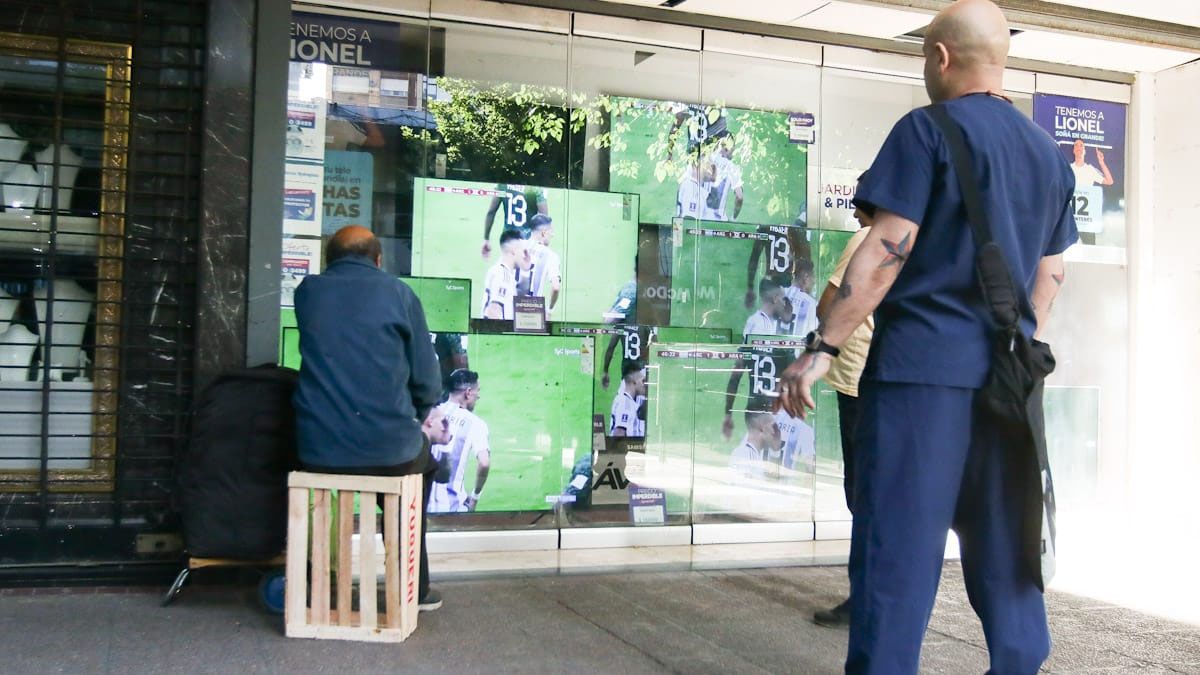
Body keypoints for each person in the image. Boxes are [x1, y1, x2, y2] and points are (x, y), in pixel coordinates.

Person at [777, 1, 1077, 672]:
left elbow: (888, 246)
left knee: (898, 558)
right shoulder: (1049, 156)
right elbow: (1052, 273)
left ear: (941, 57)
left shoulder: (925, 131)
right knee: (1008, 549)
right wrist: (1011, 345)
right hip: (1008, 388)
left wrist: (823, 349)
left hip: (920, 379)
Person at [292, 224, 445, 612]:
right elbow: (427, 380)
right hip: (390, 448)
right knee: (420, 468)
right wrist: (414, 414)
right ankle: (413, 586)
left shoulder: (308, 292)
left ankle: (318, 579)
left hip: (318, 449)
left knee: (373, 457)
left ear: (328, 260)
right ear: (379, 260)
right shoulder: (399, 294)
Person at [810, 201, 877, 628]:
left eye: (859, 203)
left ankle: (865, 597)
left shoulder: (866, 239)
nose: (853, 213)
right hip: (880, 377)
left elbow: (827, 304)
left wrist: (819, 352)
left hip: (857, 379)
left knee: (863, 494)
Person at [428, 369, 491, 513]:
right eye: (477, 391)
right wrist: (475, 497)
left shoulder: (431, 413)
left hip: (421, 507)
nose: (478, 396)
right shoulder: (476, 423)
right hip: (453, 510)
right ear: (468, 393)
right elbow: (484, 463)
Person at [481, 183, 548, 258]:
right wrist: (544, 241)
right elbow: (544, 219)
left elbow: (491, 212)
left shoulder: (502, 184)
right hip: (528, 241)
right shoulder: (535, 186)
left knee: (508, 264)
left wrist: (486, 239)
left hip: (508, 240)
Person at [481, 230, 531, 320]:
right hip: (496, 328)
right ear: (513, 251)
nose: (524, 255)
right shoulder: (503, 275)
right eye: (523, 251)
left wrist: (526, 270)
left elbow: (521, 294)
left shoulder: (501, 272)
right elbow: (494, 311)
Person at [524, 214, 562, 314]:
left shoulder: (516, 247)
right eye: (551, 231)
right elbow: (556, 287)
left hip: (511, 310)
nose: (552, 235)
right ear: (543, 233)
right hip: (533, 312)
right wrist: (549, 310)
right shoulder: (551, 256)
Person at [703, 136, 744, 222]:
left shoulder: (707, 158)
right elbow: (739, 197)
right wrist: (734, 218)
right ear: (728, 149)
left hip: (699, 215)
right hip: (717, 219)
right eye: (733, 149)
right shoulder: (732, 168)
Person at [780, 260, 819, 338]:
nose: (814, 281)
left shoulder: (779, 294)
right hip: (799, 345)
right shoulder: (812, 304)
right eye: (813, 276)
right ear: (806, 277)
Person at [609, 360, 647, 438]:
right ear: (634, 381)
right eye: (643, 381)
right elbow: (619, 434)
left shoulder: (625, 400)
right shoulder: (626, 404)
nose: (645, 385)